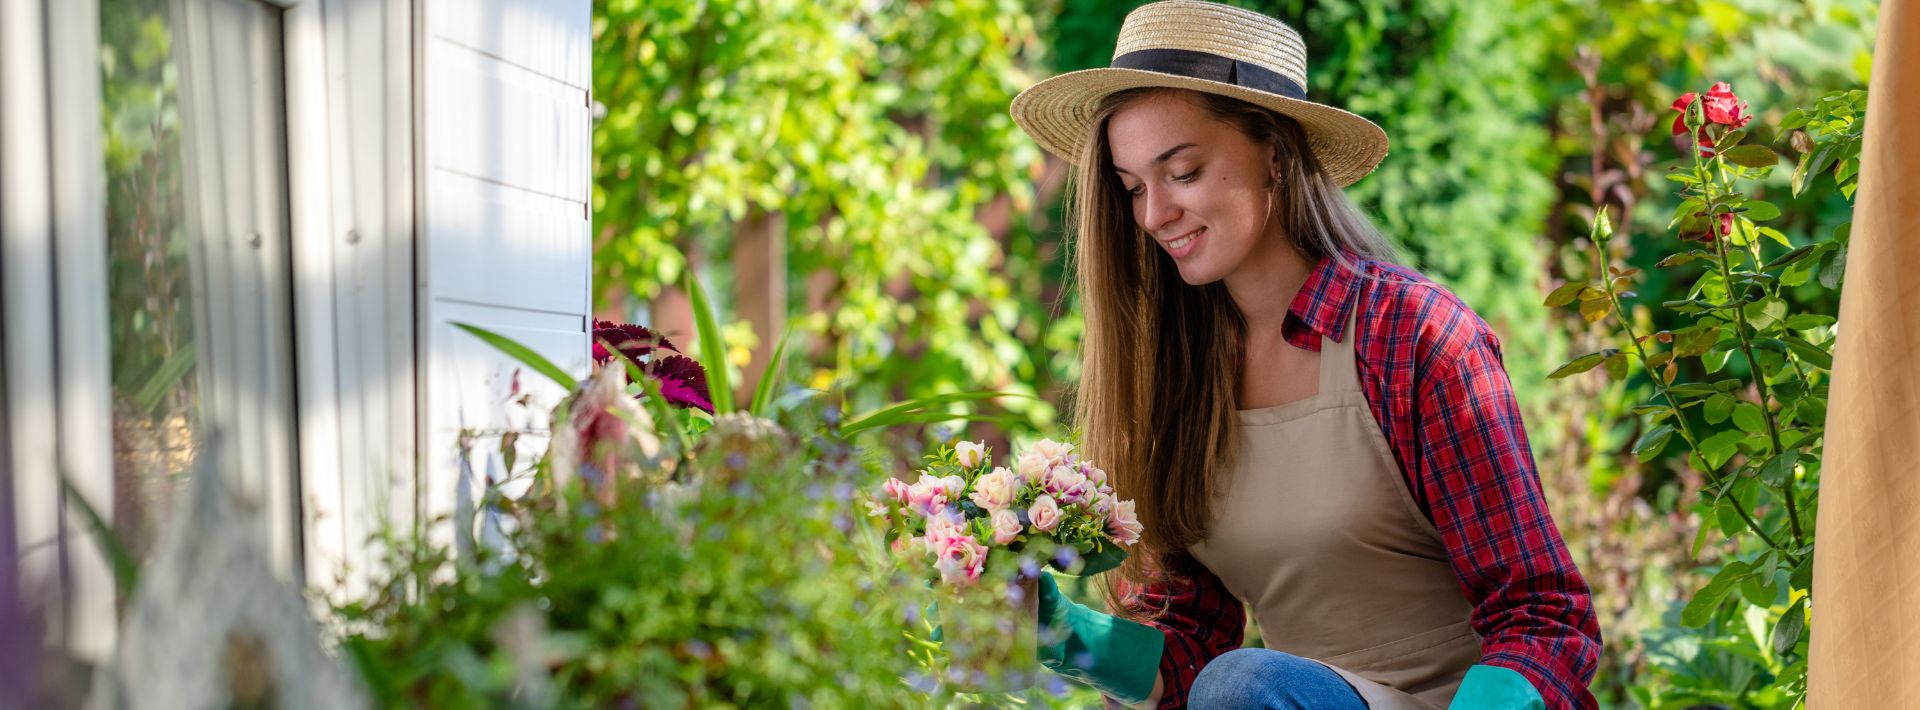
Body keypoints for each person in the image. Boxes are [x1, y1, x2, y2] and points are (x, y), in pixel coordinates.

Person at [1007, 1, 1603, 708]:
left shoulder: (1411, 336)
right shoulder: (1183, 378)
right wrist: (1050, 629)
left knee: (1244, 683)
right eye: (1134, 186)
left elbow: (1544, 619)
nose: (1152, 215)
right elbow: (1192, 647)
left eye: (1184, 171)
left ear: (1277, 156)